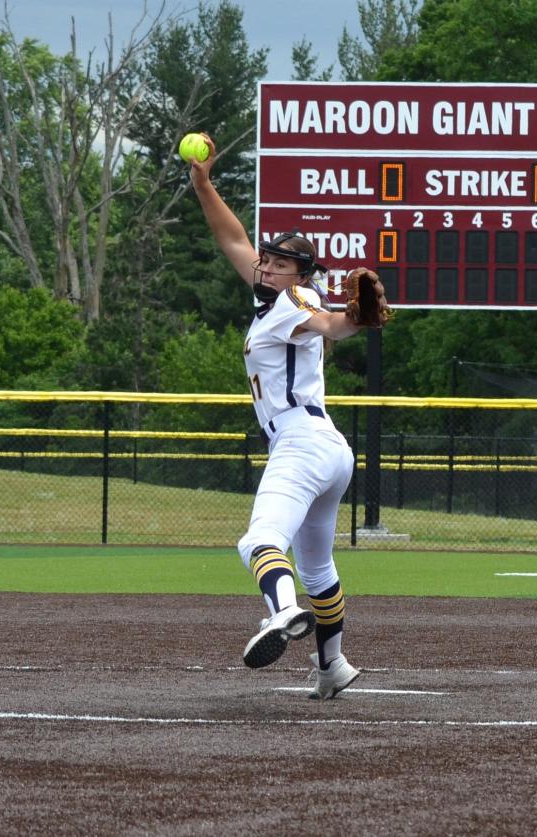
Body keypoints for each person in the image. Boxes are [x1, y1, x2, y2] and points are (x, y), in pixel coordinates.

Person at [188, 133, 381, 699]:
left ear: (300, 273)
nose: (266, 266)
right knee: (318, 566)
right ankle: (333, 665)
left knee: (258, 541)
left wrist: (353, 319)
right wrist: (202, 184)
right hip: (329, 449)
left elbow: (328, 325)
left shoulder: (294, 300)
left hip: (299, 442)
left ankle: (283, 612)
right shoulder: (279, 293)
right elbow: (232, 237)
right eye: (268, 259)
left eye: (279, 262)